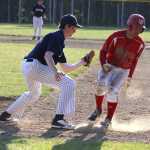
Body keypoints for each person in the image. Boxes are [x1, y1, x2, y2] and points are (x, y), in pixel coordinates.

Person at [0, 14, 93, 130]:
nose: (75, 30)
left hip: (28, 65)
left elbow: (66, 69)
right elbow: (47, 55)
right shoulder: (57, 37)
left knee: (34, 94)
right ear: (67, 26)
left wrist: (82, 62)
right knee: (69, 84)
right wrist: (55, 71)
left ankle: (6, 115)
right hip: (35, 66)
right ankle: (58, 119)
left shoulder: (59, 41)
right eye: (74, 27)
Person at [88, 14, 145, 128]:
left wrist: (130, 76)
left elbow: (134, 61)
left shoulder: (140, 44)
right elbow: (103, 51)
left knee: (113, 91)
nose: (139, 31)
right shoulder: (116, 36)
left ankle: (108, 119)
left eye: (140, 29)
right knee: (100, 86)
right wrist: (103, 64)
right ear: (129, 26)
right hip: (110, 66)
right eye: (137, 28)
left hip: (123, 71)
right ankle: (98, 109)